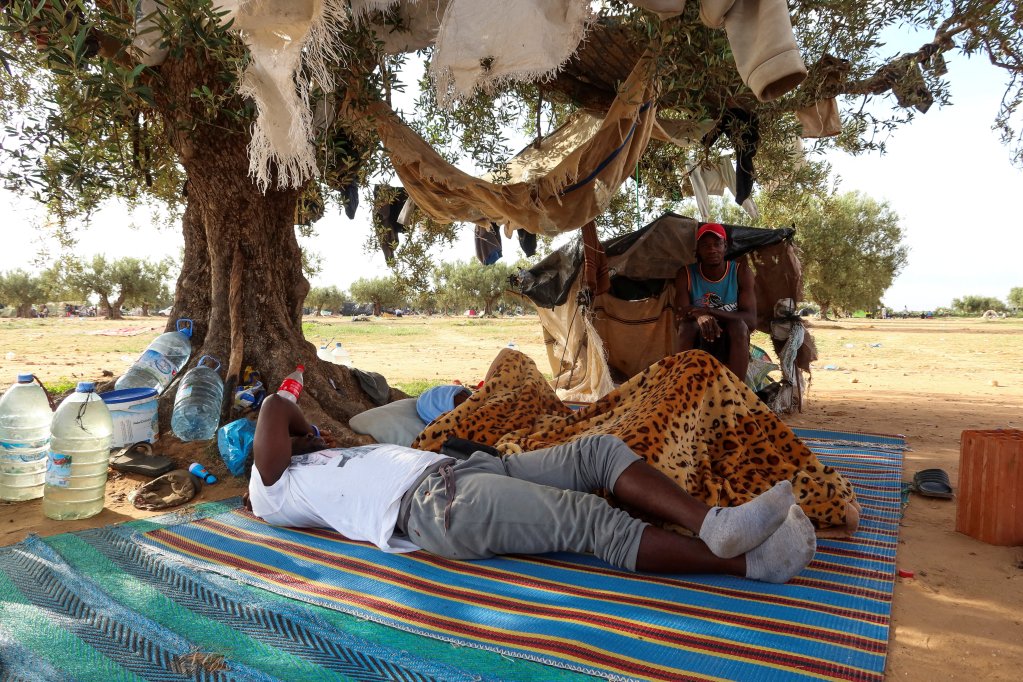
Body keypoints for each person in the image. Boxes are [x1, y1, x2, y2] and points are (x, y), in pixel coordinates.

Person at [246, 393, 817, 584]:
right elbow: (277, 408)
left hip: (463, 472)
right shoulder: (269, 490)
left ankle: (715, 525)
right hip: (437, 508)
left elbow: (295, 431)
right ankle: (750, 566)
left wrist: (313, 437)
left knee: (598, 450)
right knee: (588, 519)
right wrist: (291, 419)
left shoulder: (317, 463)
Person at [674, 222, 757, 381]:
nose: (712, 249)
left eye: (717, 244)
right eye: (705, 245)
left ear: (725, 246)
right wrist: (700, 317)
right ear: (698, 250)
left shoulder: (741, 272)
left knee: (739, 326)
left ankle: (736, 392)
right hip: (699, 333)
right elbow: (679, 317)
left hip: (732, 334)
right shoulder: (686, 274)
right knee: (686, 327)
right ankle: (682, 384)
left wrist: (708, 311)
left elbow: (751, 321)